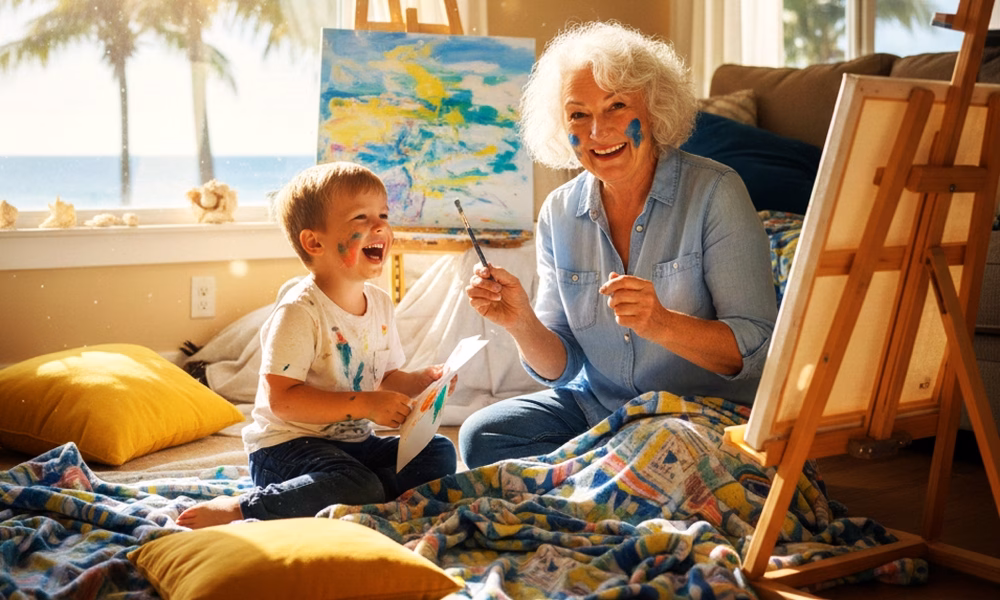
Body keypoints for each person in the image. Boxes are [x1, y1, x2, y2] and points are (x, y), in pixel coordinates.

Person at [459, 22, 778, 469]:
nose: (598, 131)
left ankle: (586, 487)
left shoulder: (715, 192)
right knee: (484, 434)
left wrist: (662, 323)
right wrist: (520, 321)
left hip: (698, 416)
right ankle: (603, 482)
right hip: (602, 412)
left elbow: (757, 349)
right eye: (578, 115)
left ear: (653, 109)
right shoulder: (558, 212)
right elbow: (563, 368)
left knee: (655, 450)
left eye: (617, 106)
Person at [177, 162, 457, 528]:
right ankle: (245, 508)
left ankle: (371, 494)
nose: (380, 226)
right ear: (314, 242)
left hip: (355, 446)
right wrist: (365, 404)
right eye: (361, 217)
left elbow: (386, 376)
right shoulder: (299, 311)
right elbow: (283, 400)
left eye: (383, 215)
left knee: (438, 451)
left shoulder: (381, 304)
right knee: (355, 484)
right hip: (287, 449)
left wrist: (424, 381)